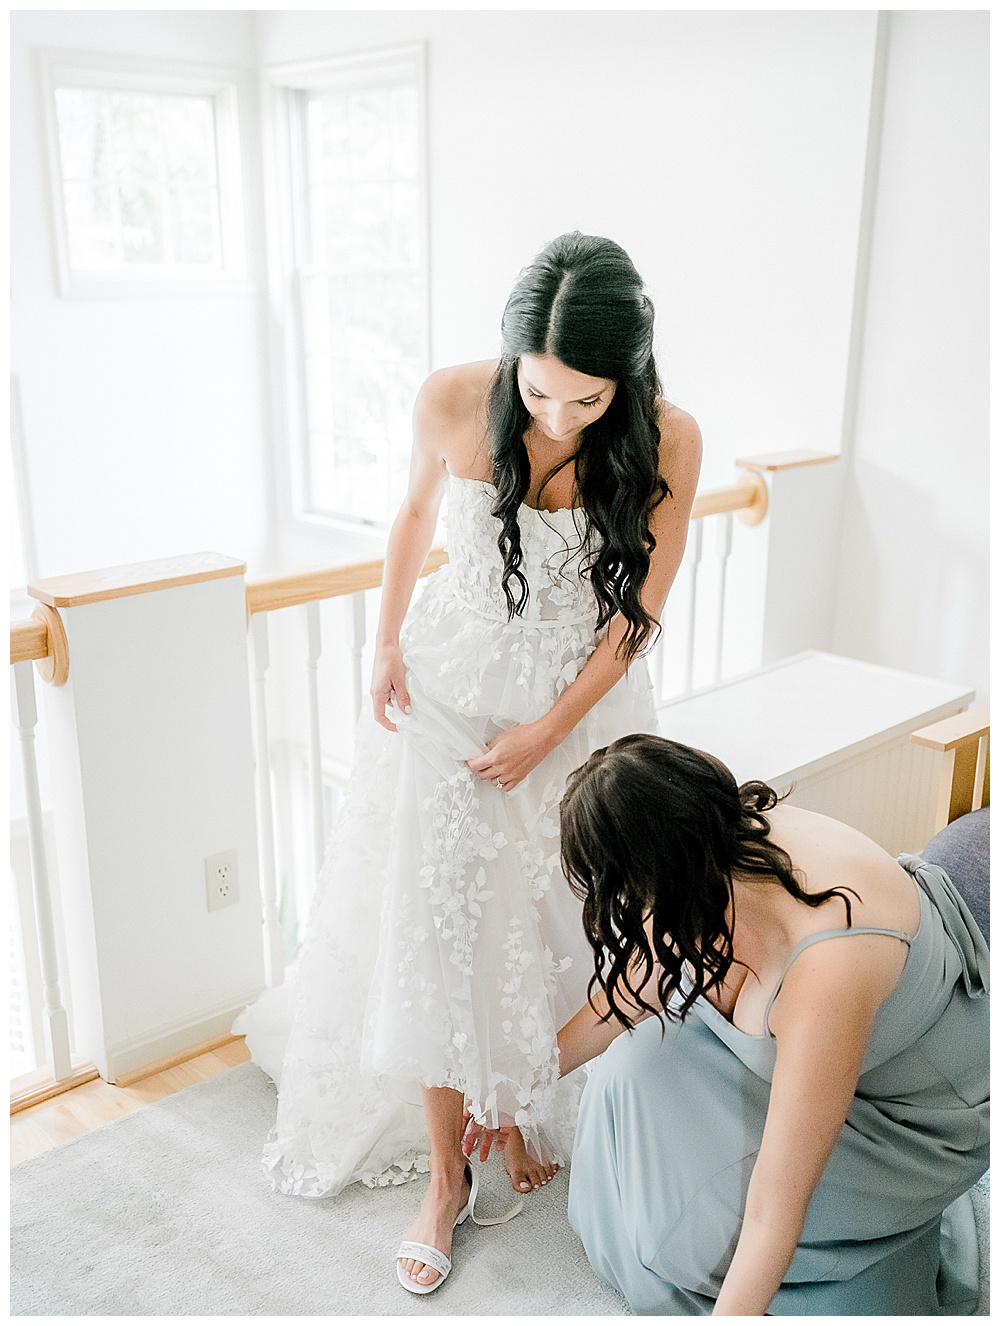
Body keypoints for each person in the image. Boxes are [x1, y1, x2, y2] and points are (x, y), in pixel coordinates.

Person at [234, 233, 702, 1293]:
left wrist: (546, 731)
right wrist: (384, 640)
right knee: (439, 922)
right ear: (509, 356)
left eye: (589, 402)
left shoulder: (669, 435)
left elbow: (637, 617)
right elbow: (408, 516)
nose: (559, 419)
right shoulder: (450, 397)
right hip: (448, 692)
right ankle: (447, 1178)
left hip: (577, 710)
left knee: (554, 920)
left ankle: (522, 1108)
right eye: (542, 393)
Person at [482, 733, 987, 1315]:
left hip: (907, 1112)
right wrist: (521, 1084)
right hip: (824, 1029)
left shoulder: (828, 964)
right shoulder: (706, 845)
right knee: (632, 1067)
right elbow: (629, 992)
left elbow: (776, 1211)